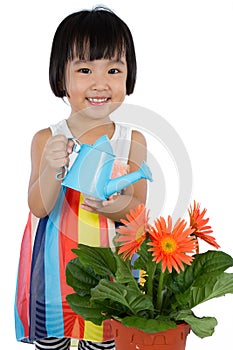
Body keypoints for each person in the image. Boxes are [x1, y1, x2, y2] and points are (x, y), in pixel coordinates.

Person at [15, 6, 148, 350]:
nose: (100, 83)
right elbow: (38, 207)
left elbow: (138, 206)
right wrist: (51, 169)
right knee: (56, 335)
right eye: (85, 69)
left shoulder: (131, 140)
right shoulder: (47, 138)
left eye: (114, 70)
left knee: (107, 337)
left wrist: (115, 206)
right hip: (55, 267)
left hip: (111, 267)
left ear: (128, 77)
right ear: (61, 77)